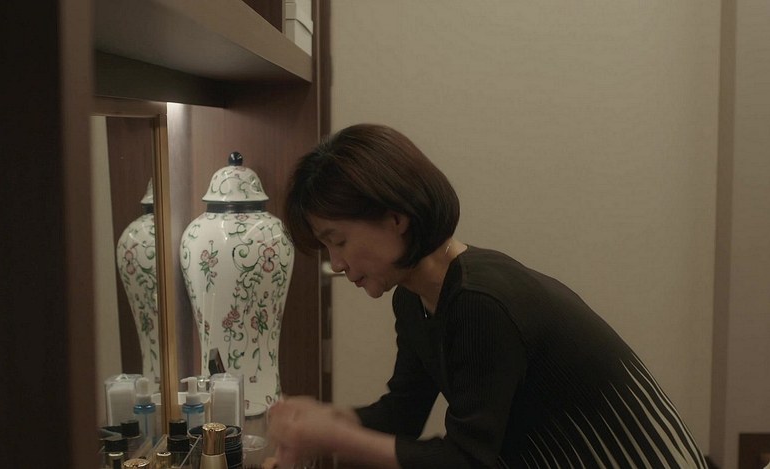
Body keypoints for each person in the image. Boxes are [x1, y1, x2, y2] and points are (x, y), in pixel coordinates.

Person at [267, 123, 708, 468]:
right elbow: (402, 414)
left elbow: (468, 459)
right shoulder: (416, 298)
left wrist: (334, 436)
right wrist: (324, 420)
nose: (337, 264)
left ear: (395, 218)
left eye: (338, 241)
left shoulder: (479, 299)